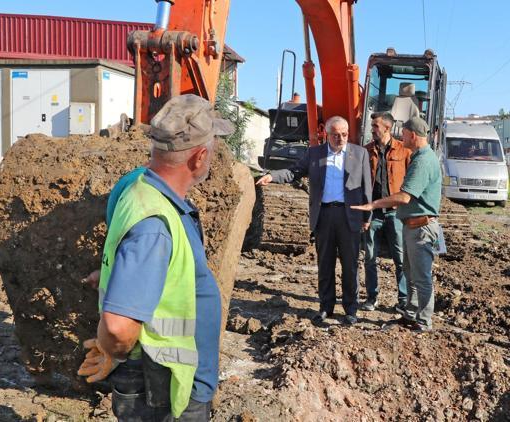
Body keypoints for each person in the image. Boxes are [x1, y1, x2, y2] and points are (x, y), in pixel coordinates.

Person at [77, 94, 234, 421]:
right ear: (199, 156)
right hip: (163, 391)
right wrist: (110, 349)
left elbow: (127, 254)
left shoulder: (135, 186)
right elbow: (119, 328)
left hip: (157, 382)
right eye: (212, 149)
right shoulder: (155, 224)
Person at [256, 116, 371, 325]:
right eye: (336, 135)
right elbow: (294, 172)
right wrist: (273, 176)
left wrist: (367, 217)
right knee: (325, 264)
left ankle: (350, 309)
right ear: (327, 134)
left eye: (344, 134)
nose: (341, 138)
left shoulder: (360, 153)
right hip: (324, 216)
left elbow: (366, 187)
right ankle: (326, 307)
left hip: (349, 216)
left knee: (350, 266)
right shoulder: (315, 153)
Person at [352, 116, 441, 332]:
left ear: (412, 135)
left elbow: (404, 197)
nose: (402, 136)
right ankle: (410, 314)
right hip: (412, 225)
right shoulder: (420, 156)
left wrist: (373, 205)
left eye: (405, 133)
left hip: (420, 227)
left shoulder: (422, 161)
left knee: (421, 277)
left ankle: (423, 321)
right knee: (410, 273)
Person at [361, 112, 411, 312]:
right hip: (373, 212)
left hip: (395, 212)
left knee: (400, 258)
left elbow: (411, 181)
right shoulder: (366, 151)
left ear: (387, 128)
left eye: (375, 126)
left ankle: (404, 300)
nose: (372, 129)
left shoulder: (403, 151)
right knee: (369, 258)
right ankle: (372, 298)